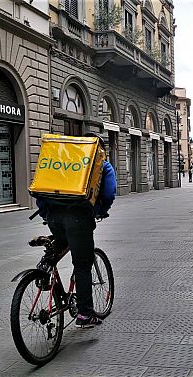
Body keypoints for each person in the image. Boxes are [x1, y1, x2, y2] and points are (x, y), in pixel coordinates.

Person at [36, 132, 117, 328]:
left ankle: (46, 265)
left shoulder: (64, 158)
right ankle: (85, 314)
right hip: (79, 218)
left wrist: (46, 213)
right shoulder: (100, 163)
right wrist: (99, 211)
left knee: (62, 240)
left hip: (54, 215)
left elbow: (44, 185)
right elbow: (109, 192)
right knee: (82, 265)